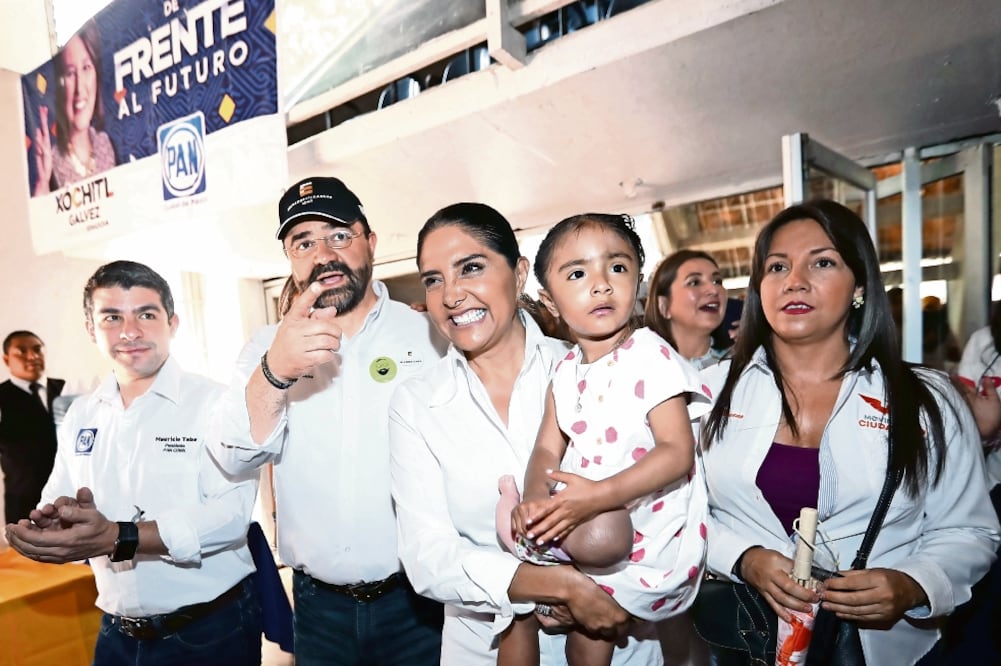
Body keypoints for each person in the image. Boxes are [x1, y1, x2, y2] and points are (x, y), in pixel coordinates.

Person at [698, 200, 1000, 665]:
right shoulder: (706, 394)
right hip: (740, 639)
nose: (795, 280)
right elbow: (675, 514)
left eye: (822, 262)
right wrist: (742, 558)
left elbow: (969, 529)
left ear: (859, 285)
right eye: (777, 266)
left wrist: (914, 584)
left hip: (881, 649)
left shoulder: (926, 399)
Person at [389, 202, 673, 665]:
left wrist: (606, 589)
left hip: (618, 639)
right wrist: (557, 586)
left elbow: (663, 506)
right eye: (434, 279)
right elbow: (427, 556)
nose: (451, 295)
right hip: (481, 649)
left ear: (519, 274)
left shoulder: (599, 371)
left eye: (471, 268)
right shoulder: (416, 402)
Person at [211, 176, 445, 664]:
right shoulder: (265, 346)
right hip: (318, 611)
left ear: (370, 242)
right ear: (290, 259)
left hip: (420, 602)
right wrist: (276, 370)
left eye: (339, 235)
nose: (323, 254)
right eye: (304, 242)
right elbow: (233, 456)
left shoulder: (430, 335)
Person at [4, 261, 261, 665]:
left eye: (146, 314)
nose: (130, 332)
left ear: (172, 323)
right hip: (116, 632)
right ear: (91, 329)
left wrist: (119, 536)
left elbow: (230, 517)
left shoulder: (217, 403)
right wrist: (56, 522)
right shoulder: (81, 414)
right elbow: (57, 494)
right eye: (112, 317)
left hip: (208, 630)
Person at [497, 214, 711, 666]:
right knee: (584, 642)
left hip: (647, 521)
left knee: (669, 637)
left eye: (617, 267)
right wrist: (534, 499)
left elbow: (677, 452)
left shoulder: (651, 356)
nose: (601, 285)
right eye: (577, 274)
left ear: (639, 281)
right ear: (550, 301)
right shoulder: (565, 370)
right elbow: (547, 448)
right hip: (590, 519)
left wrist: (598, 496)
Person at [32, 18, 116, 195]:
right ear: (59, 86)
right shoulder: (51, 163)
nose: (80, 88)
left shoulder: (107, 146)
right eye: (70, 73)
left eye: (86, 67)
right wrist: (43, 181)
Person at [0, 330, 65, 523]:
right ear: (6, 359)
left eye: (37, 349)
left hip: (67, 497)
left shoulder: (65, 389)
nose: (32, 356)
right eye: (21, 351)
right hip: (23, 502)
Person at [645, 250, 729, 370]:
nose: (713, 289)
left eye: (717, 281)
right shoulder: (643, 369)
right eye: (694, 282)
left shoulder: (742, 366)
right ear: (664, 305)